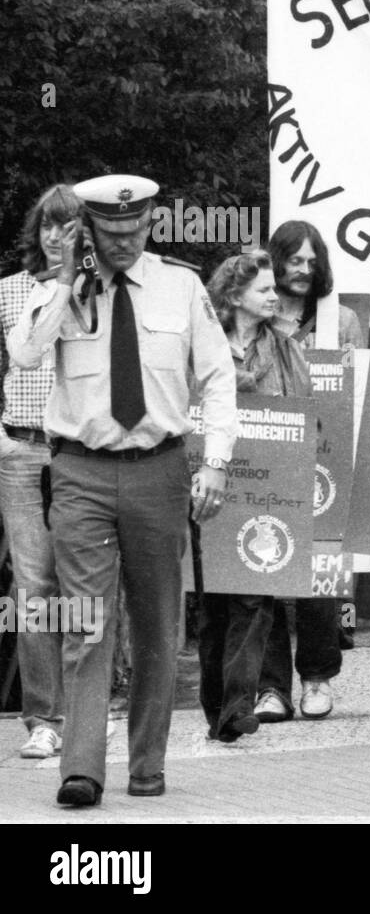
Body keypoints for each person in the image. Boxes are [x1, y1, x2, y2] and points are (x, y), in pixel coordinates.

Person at [7, 174, 236, 806]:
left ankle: (146, 764)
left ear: (151, 223)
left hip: (159, 470)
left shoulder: (182, 285)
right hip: (80, 472)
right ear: (90, 231)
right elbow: (25, 352)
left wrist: (214, 462)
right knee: (86, 622)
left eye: (136, 229)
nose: (126, 241)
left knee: (159, 623)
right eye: (111, 233)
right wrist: (66, 282)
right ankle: (81, 768)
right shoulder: (62, 290)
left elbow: (217, 378)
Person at [254, 220, 366, 722]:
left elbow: (357, 391)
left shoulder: (339, 320)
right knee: (263, 563)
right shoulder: (255, 312)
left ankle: (317, 680)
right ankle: (271, 687)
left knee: (320, 579)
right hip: (265, 457)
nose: (302, 269)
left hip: (325, 462)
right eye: (293, 260)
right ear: (275, 262)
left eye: (311, 261)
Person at [198, 252, 310, 742]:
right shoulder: (202, 347)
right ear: (234, 294)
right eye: (264, 289)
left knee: (254, 599)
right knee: (213, 607)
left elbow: (306, 414)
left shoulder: (286, 350)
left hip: (266, 488)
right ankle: (215, 705)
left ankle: (237, 707)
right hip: (209, 484)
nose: (274, 296)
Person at [0, 185, 79, 759]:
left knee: (88, 584)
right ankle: (44, 720)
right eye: (49, 226)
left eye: (69, 226)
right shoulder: (9, 292)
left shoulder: (97, 292)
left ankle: (90, 708)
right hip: (22, 452)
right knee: (33, 590)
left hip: (81, 454)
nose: (56, 237)